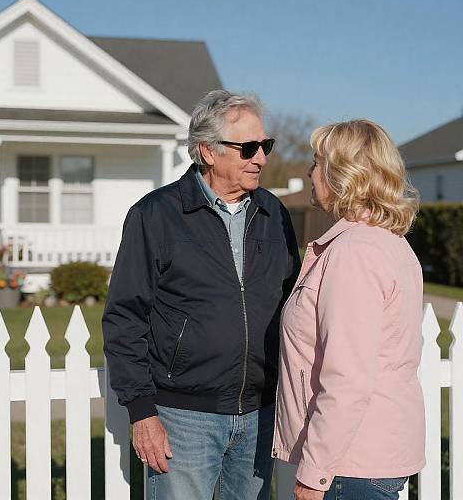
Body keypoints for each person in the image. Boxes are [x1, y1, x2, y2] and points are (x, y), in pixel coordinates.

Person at [103, 89, 300, 500]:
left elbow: (292, 302)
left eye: (265, 146)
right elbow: (125, 318)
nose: (261, 158)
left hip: (261, 413)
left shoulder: (274, 213)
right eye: (248, 148)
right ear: (208, 152)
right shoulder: (154, 215)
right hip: (183, 418)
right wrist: (142, 412)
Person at [273, 119, 426, 500]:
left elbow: (347, 378)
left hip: (348, 466)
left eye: (318, 161)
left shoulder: (354, 252)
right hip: (369, 458)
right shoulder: (389, 243)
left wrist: (314, 475)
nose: (310, 171)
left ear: (346, 174)